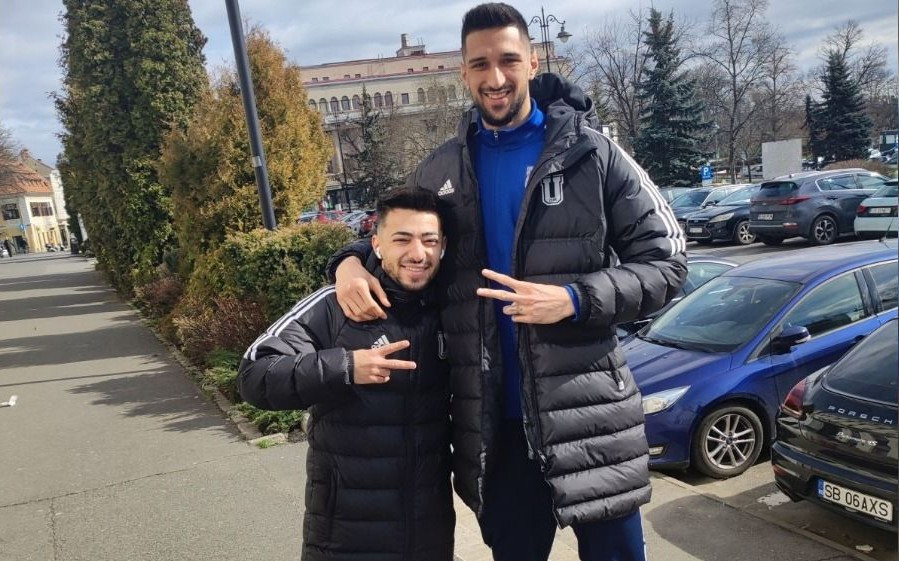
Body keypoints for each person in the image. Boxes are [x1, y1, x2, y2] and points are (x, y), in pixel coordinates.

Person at [329, 4, 687, 560]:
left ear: (533, 62)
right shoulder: (441, 170)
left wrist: (574, 299)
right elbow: (395, 239)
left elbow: (668, 264)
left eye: (508, 60)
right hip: (493, 432)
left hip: (591, 419)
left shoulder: (594, 154)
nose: (495, 78)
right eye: (480, 64)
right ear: (463, 72)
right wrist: (348, 262)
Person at [239, 188, 454, 561]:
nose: (418, 253)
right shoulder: (333, 306)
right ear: (377, 244)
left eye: (429, 241)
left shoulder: (451, 308)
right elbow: (255, 374)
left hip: (428, 531)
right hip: (344, 531)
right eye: (402, 239)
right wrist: (347, 367)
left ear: (443, 246)